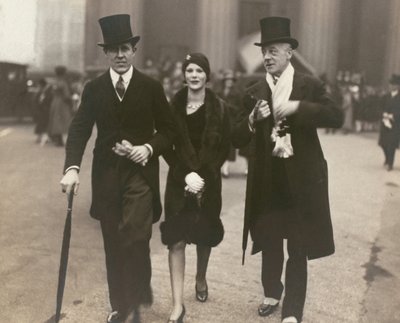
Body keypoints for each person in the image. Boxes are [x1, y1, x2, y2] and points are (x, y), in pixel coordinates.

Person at [59, 14, 175, 323]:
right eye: (113, 50)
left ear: (134, 50)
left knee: (135, 239)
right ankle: (119, 306)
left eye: (125, 48)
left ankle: (135, 300)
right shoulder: (94, 88)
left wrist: (148, 148)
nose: (120, 55)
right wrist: (72, 167)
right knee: (112, 241)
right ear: (105, 53)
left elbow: (169, 131)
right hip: (107, 176)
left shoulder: (151, 87)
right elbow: (79, 129)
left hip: (140, 177)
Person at [231, 17, 343, 323]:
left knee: (298, 246)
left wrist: (297, 108)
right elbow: (235, 135)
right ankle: (271, 291)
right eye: (264, 51)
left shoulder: (308, 85)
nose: (267, 57)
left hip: (301, 181)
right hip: (267, 179)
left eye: (274, 50)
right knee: (268, 239)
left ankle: (292, 311)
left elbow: (336, 116)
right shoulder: (253, 90)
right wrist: (252, 119)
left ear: (289, 52)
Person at [160, 53, 230, 323]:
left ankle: (200, 277)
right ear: (184, 75)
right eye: (189, 70)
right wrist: (185, 175)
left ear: (207, 75)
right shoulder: (172, 107)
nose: (194, 75)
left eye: (199, 70)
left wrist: (203, 177)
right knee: (176, 240)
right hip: (179, 181)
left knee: (203, 235)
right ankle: (177, 304)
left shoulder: (220, 108)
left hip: (209, 181)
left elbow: (224, 148)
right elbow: (167, 145)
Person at [217, 69, 243, 177]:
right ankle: (220, 166)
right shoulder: (218, 92)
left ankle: (226, 168)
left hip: (230, 121)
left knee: (228, 145)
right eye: (227, 80)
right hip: (219, 121)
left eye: (231, 80)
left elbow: (240, 109)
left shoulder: (237, 94)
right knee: (218, 143)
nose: (229, 82)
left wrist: (227, 106)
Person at [378, 74, 400, 171]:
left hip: (395, 124)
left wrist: (393, 116)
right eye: (390, 84)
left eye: (393, 84)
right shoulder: (385, 97)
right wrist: (383, 114)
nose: (391, 86)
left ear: (397, 86)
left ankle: (390, 163)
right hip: (385, 122)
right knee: (383, 143)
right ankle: (387, 158)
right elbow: (380, 107)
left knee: (391, 144)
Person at [48, 65, 73, 146]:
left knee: (55, 120)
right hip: (62, 103)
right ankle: (61, 140)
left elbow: (51, 93)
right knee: (63, 120)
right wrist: (70, 102)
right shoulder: (63, 82)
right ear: (63, 73)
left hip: (55, 102)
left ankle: (57, 139)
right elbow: (66, 95)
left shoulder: (54, 82)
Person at [33, 78, 52, 146]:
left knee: (43, 124)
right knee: (42, 124)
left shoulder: (45, 91)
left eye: (39, 85)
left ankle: (42, 138)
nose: (38, 86)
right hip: (42, 109)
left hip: (44, 109)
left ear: (41, 85)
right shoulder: (44, 90)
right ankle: (41, 137)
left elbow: (42, 100)